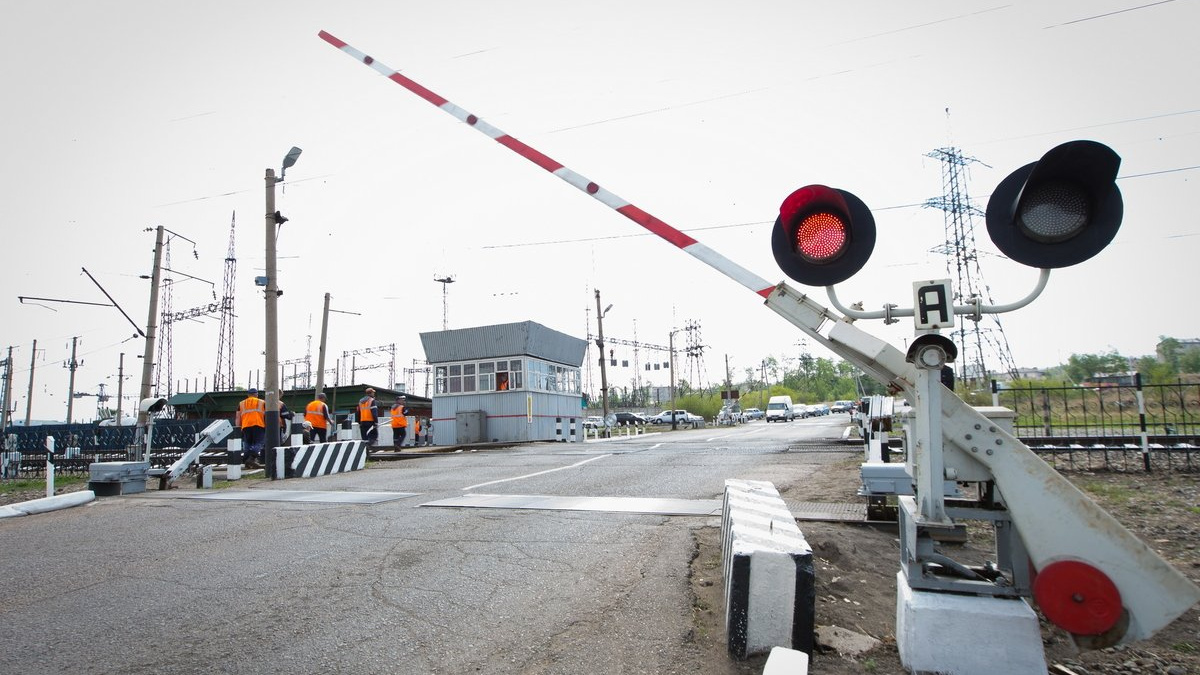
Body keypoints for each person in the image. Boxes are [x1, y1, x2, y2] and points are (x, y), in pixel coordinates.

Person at [236, 387, 266, 468]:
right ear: (256, 394)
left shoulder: (241, 403)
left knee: (248, 443)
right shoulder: (262, 402)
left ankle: (246, 460)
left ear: (248, 395)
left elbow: (238, 417)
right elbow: (266, 415)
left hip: (245, 426)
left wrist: (238, 428)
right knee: (259, 442)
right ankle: (251, 458)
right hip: (258, 424)